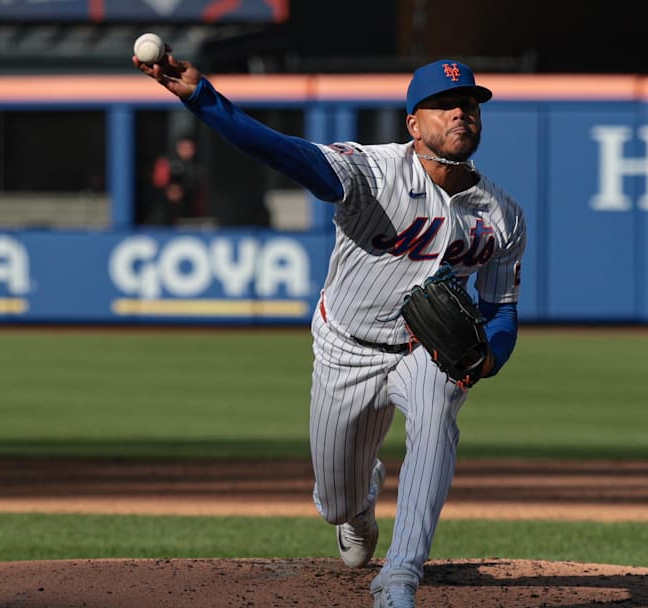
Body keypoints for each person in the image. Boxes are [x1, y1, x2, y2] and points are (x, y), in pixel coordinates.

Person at [135, 52, 525, 608]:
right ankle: (357, 506)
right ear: (414, 126)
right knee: (334, 503)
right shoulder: (372, 171)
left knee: (437, 418)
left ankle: (399, 579)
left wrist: (487, 359)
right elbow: (285, 154)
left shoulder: (503, 215)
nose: (460, 113)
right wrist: (203, 98)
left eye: (468, 104)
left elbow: (501, 311)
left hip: (426, 353)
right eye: (442, 106)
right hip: (347, 348)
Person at [145, 134, 206, 225]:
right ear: (178, 147)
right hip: (162, 216)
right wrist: (169, 190)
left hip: (188, 217)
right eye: (184, 147)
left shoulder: (197, 168)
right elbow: (157, 184)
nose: (187, 151)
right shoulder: (165, 162)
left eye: (190, 148)